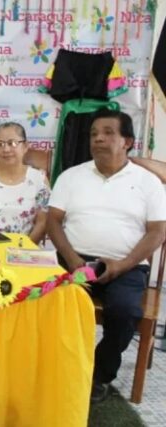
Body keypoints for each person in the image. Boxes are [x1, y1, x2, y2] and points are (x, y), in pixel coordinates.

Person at [47, 109, 166, 403]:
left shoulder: (148, 182)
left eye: (108, 132)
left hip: (127, 267)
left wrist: (122, 265)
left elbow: (157, 232)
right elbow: (52, 221)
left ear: (127, 141)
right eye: (93, 133)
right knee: (51, 305)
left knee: (125, 312)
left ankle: (99, 375)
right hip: (74, 260)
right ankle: (57, 368)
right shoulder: (71, 176)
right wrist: (73, 259)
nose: (98, 138)